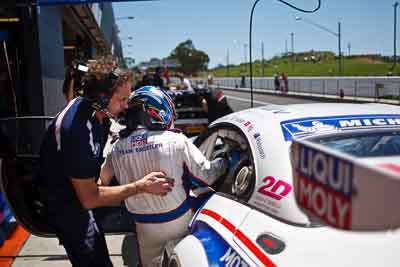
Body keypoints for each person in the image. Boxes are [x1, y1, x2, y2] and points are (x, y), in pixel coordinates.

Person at [38, 58, 173, 267]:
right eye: (122, 100)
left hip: (83, 189)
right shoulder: (76, 131)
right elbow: (89, 199)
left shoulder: (98, 114)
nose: (126, 106)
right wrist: (141, 186)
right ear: (101, 98)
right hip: (68, 206)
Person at [99, 86, 229, 266]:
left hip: (143, 225)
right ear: (157, 109)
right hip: (179, 219)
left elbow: (105, 180)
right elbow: (206, 176)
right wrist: (223, 162)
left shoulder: (118, 147)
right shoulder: (176, 140)